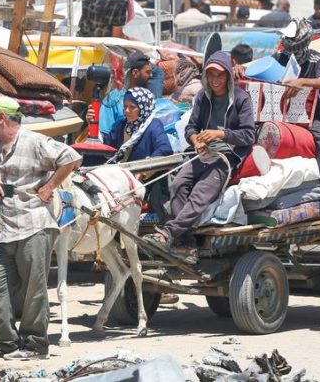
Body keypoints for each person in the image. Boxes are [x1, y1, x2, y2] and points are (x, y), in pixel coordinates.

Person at [0, 96, 82, 360]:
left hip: (34, 224)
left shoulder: (34, 141)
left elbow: (71, 157)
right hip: (2, 227)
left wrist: (50, 187)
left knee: (34, 289)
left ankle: (35, 344)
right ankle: (8, 343)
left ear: (2, 118)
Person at [144, 51, 255, 264]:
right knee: (178, 185)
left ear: (229, 76)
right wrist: (195, 140)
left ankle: (167, 233)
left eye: (220, 75)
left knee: (200, 194)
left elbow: (249, 135)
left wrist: (220, 133)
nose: (215, 79)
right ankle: (186, 243)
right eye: (211, 74)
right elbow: (191, 127)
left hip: (226, 157)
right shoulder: (203, 97)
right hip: (202, 154)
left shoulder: (241, 99)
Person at [270, 18, 320, 216]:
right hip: (298, 111)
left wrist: (301, 82)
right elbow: (264, 75)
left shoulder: (317, 58)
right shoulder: (279, 58)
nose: (291, 49)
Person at [87, 51, 164, 137]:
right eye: (147, 72)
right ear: (135, 73)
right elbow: (105, 134)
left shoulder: (148, 98)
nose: (151, 75)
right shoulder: (113, 100)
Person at [103, 87, 172, 164]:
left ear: (143, 108)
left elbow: (165, 149)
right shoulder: (122, 125)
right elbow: (106, 145)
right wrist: (92, 123)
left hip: (143, 172)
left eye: (132, 107)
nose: (127, 111)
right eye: (125, 106)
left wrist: (145, 169)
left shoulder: (153, 125)